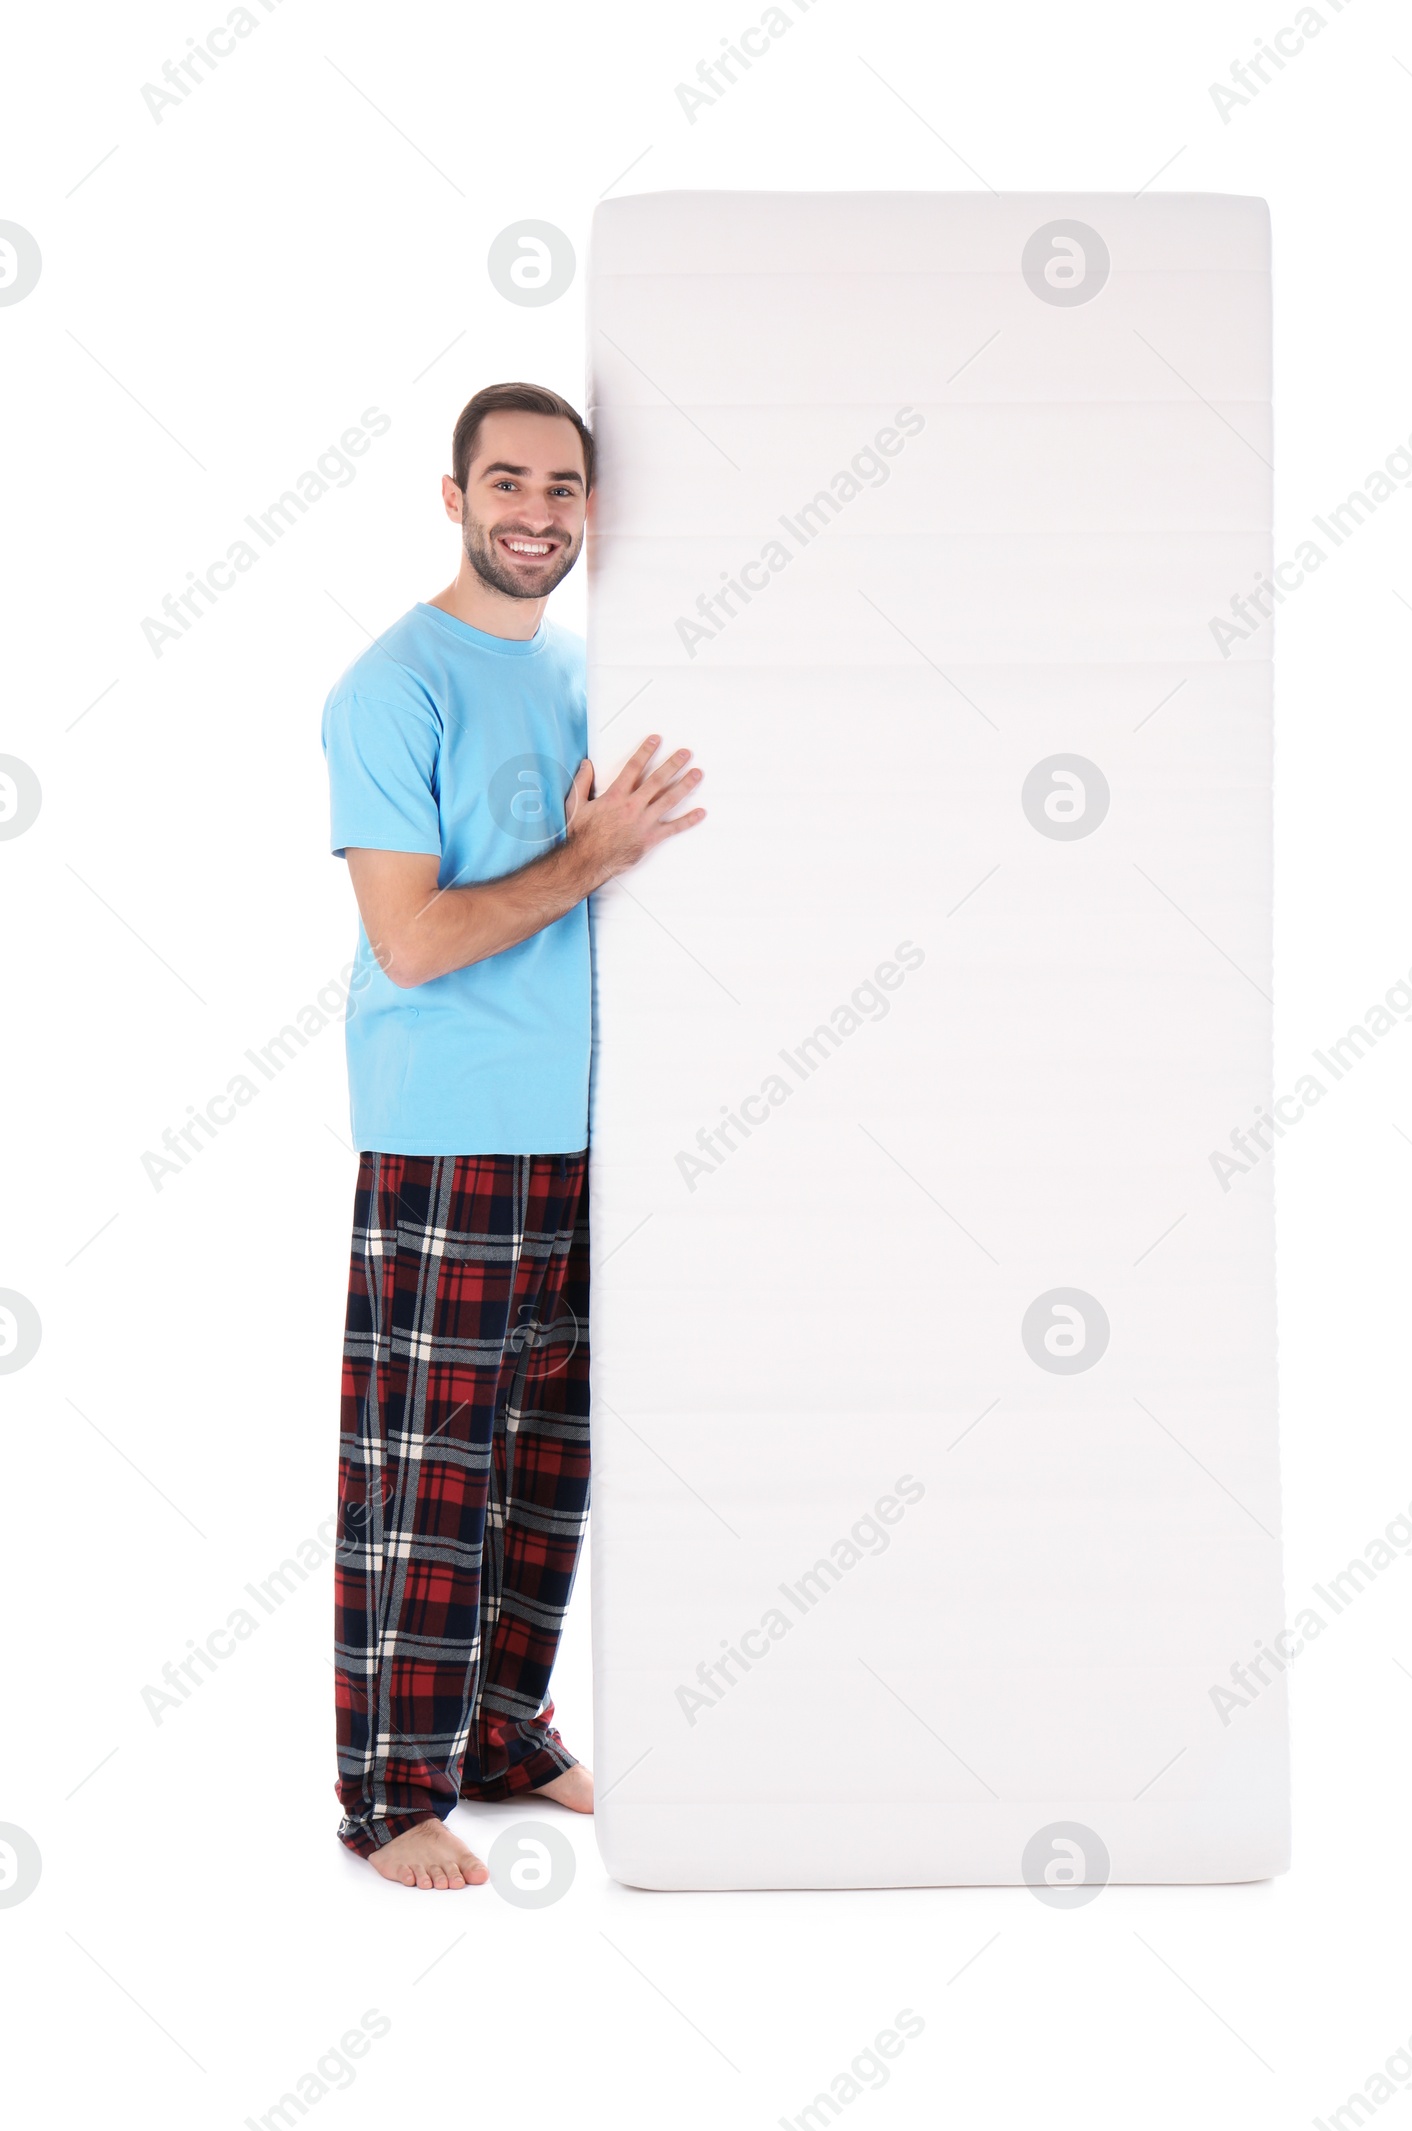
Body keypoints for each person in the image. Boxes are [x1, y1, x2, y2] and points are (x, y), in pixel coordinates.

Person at [320, 381, 705, 1888]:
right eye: (510, 483)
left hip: (587, 1131)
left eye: (564, 488)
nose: (537, 513)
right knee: (428, 1467)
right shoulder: (391, 684)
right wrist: (591, 850)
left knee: (551, 1457)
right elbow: (410, 941)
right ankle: (389, 1795)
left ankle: (503, 1733)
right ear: (454, 495)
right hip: (448, 1132)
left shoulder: (579, 677)